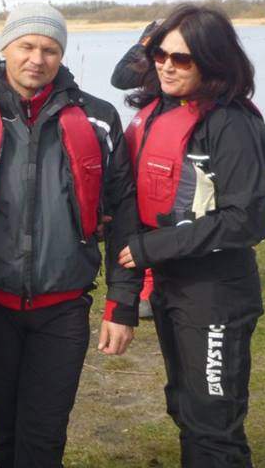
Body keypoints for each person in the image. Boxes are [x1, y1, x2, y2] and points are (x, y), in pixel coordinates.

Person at [0, 2, 143, 468]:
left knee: (44, 434)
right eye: (26, 45)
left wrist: (122, 301)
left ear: (61, 55)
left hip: (63, 309)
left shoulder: (99, 118)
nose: (37, 58)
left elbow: (125, 215)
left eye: (50, 49)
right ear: (6, 47)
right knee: (3, 428)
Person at [116, 3, 265, 467]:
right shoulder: (160, 109)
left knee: (213, 419)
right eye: (161, 55)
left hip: (216, 291)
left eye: (181, 59)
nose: (166, 65)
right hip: (173, 284)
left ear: (212, 61)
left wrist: (152, 246)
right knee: (185, 406)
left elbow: (246, 218)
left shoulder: (230, 124)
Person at [110, 19, 160, 320]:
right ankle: (146, 284)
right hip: (155, 122)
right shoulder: (156, 46)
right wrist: (144, 45)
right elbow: (121, 78)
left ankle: (152, 286)